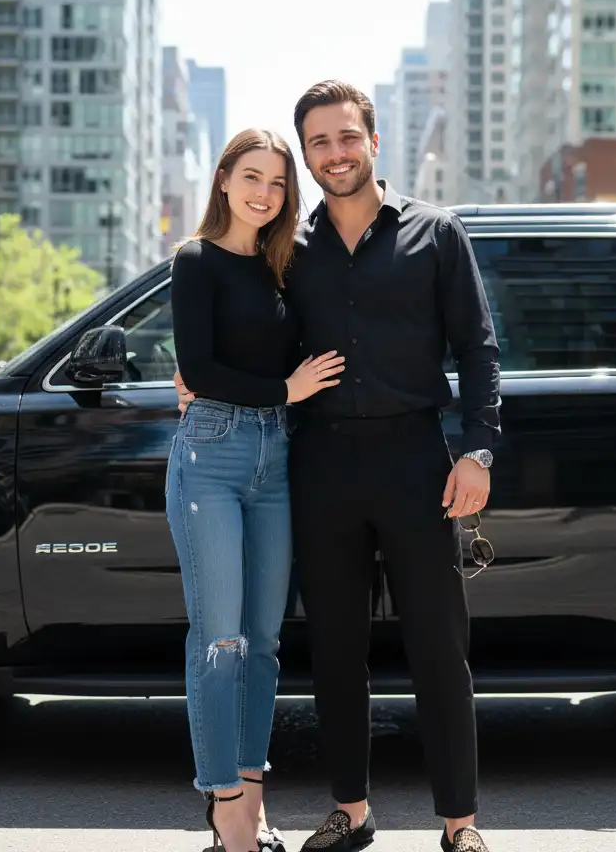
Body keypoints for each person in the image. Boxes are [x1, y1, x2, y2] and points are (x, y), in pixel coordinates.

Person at [176, 81, 501, 852]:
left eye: (347, 136)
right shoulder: (289, 249)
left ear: (374, 141)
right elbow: (253, 334)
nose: (336, 152)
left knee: (439, 647)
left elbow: (478, 348)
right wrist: (195, 378)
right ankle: (350, 810)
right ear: (308, 155)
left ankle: (460, 824)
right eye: (318, 142)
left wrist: (479, 449)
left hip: (416, 461)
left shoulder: (435, 232)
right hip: (318, 463)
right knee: (335, 650)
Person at [167, 128, 346, 852]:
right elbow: (199, 369)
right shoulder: (194, 260)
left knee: (264, 642)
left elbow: (302, 348)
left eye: (277, 182)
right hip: (211, 453)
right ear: (223, 180)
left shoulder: (286, 267)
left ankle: (253, 796)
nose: (264, 193)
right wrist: (284, 389)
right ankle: (226, 805)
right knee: (220, 640)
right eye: (251, 177)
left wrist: (286, 393)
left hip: (277, 456)